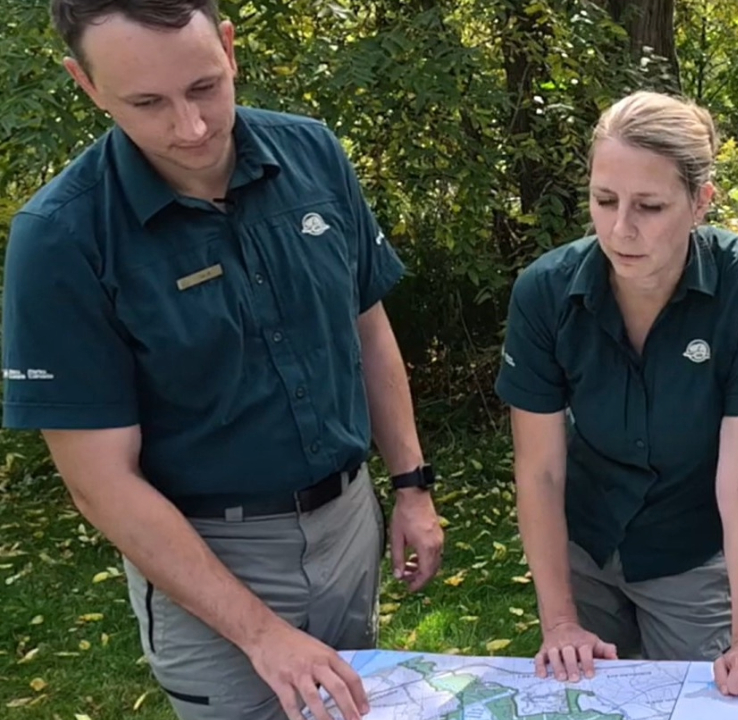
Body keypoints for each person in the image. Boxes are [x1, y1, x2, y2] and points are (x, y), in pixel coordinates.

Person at [1, 2, 446, 719]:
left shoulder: (314, 154)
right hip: (208, 556)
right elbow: (100, 484)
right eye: (147, 103)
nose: (192, 127)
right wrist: (261, 634)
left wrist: (412, 486)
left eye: (205, 86)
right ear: (86, 84)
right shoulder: (61, 238)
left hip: (347, 526)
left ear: (230, 49)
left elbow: (367, 327)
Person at [494, 90, 738, 699]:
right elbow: (541, 470)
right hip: (584, 538)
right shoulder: (544, 292)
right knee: (578, 700)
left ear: (700, 202)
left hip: (687, 544)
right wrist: (559, 621)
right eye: (604, 201)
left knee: (708, 703)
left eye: (650, 206)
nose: (620, 229)